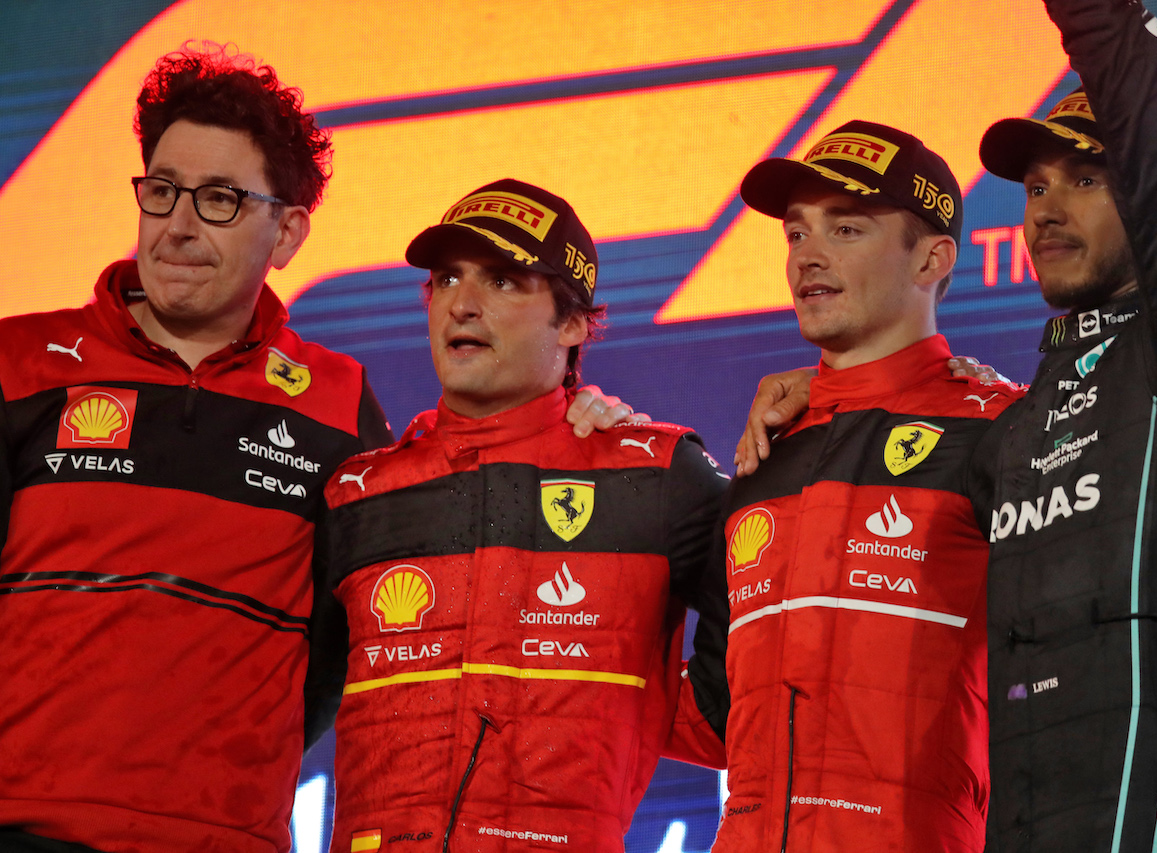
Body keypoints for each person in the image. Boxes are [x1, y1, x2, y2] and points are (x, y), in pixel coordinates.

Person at [0, 44, 396, 852]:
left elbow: (351, 645)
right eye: (164, 191)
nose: (178, 225)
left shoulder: (339, 404)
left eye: (219, 199)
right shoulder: (16, 365)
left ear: (287, 232)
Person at [320, 178, 730, 852]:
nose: (463, 303)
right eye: (447, 278)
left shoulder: (655, 477)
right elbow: (279, 702)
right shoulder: (359, 492)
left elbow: (746, 693)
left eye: (505, 281)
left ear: (572, 324)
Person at [970, 1, 1157, 848]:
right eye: (1035, 187)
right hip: (1024, 811)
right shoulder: (1012, 421)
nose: (1045, 210)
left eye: (1087, 179)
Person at [688, 119, 1023, 852]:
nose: (808, 255)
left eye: (846, 230)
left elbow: (1109, 637)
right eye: (797, 233)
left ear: (933, 257)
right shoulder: (764, 452)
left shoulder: (1003, 427)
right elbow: (712, 713)